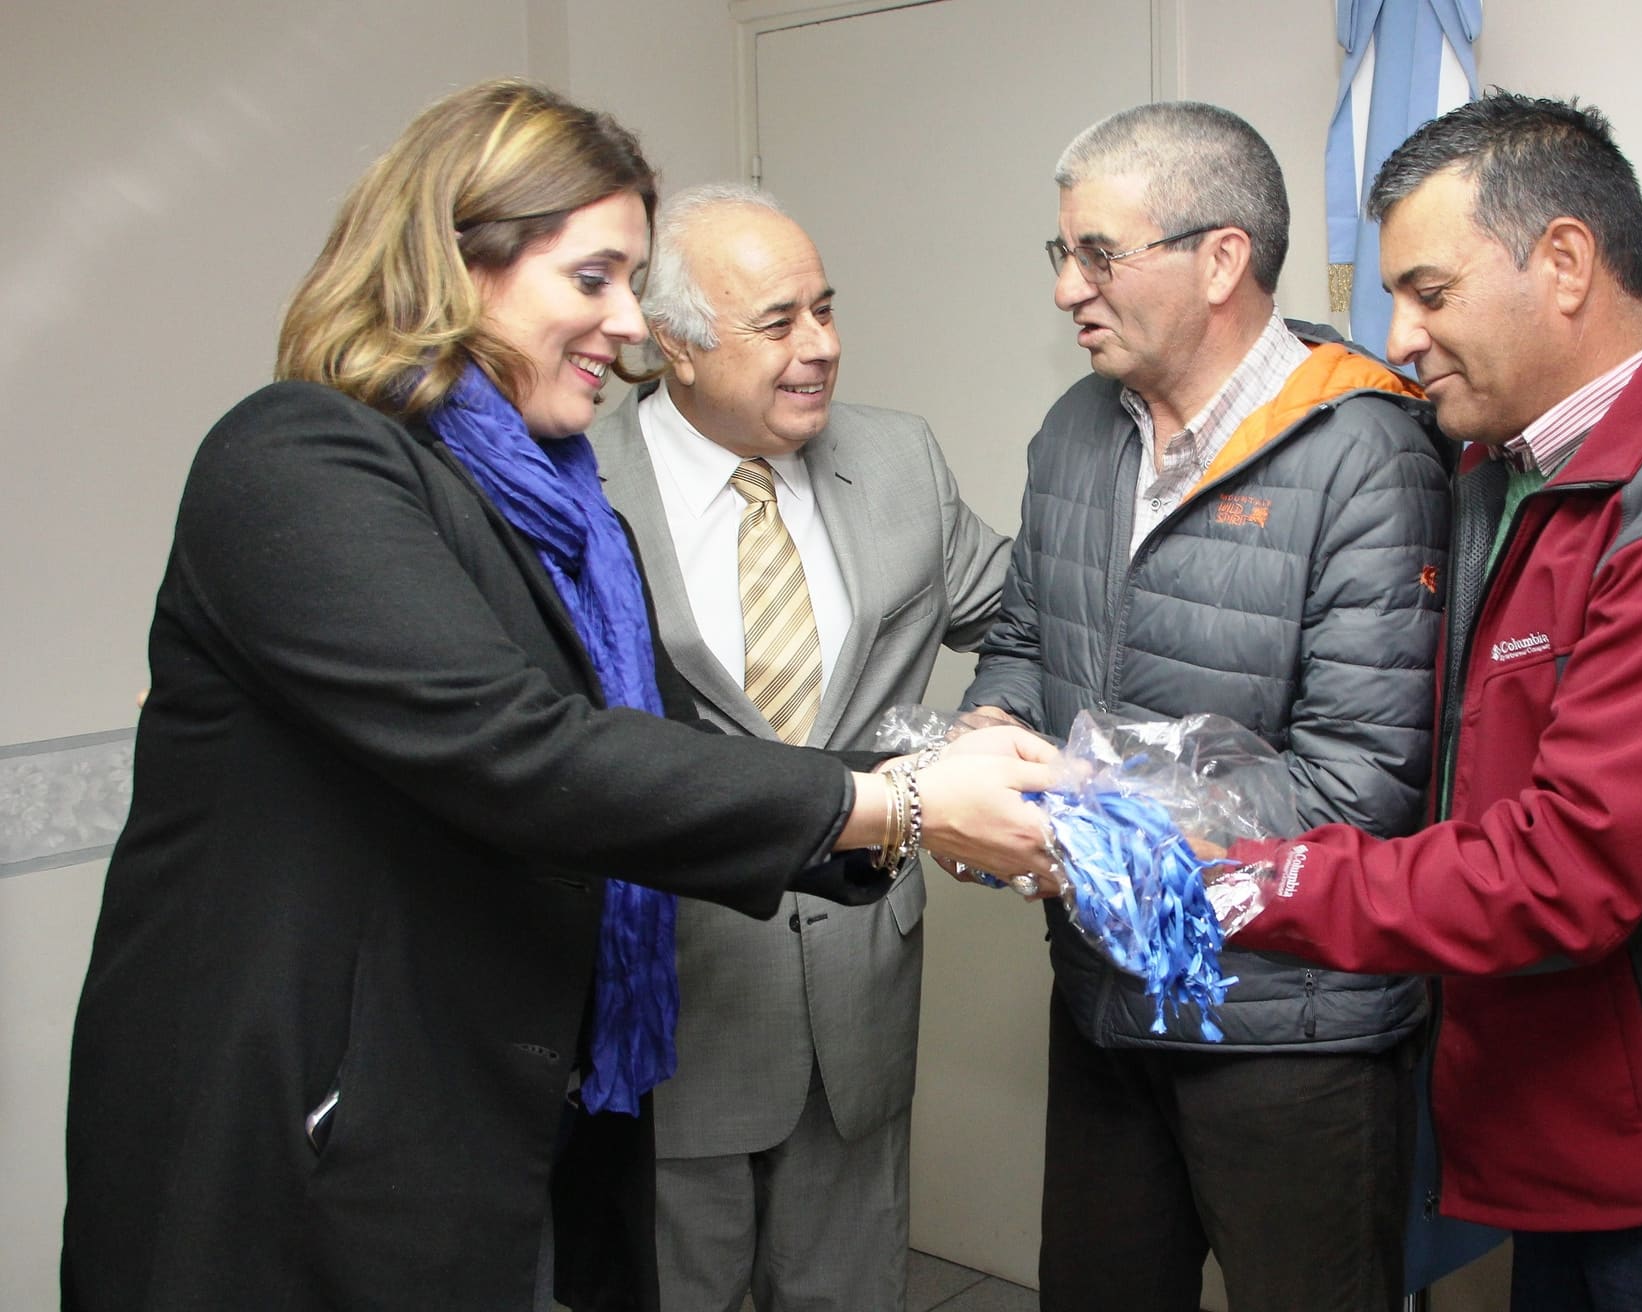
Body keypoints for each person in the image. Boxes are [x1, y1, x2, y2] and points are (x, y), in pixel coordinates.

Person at [59, 79, 1056, 1312]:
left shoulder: (563, 510)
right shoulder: (297, 459)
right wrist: (887, 805)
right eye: (594, 280)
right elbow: (519, 751)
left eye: (633, 283)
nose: (630, 325)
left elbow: (648, 743)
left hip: (528, 1100)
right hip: (320, 1121)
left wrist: (890, 825)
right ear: (451, 264)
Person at [1217, 92, 1642, 1311]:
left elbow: (1565, 869)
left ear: (1563, 262)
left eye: (1427, 291)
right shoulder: (1514, 456)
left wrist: (1240, 879)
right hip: (1565, 1132)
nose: (1400, 336)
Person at [963, 101, 1451, 1312]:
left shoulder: (1364, 451)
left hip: (1292, 1025)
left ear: (1220, 257)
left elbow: (1360, 783)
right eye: (1058, 255)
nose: (1067, 290)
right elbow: (1022, 640)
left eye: (1097, 254)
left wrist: (1075, 813)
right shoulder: (1076, 430)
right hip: (1102, 997)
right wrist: (987, 731)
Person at [588, 183, 1009, 1312]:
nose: (821, 347)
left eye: (825, 310)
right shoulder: (576, 486)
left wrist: (997, 712)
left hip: (861, 990)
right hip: (678, 1000)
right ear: (672, 342)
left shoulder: (897, 459)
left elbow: (1021, 612)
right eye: (778, 323)